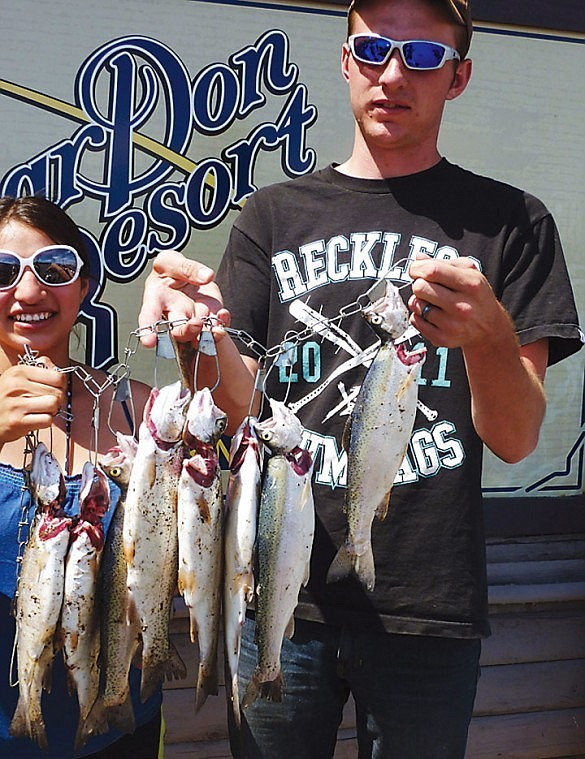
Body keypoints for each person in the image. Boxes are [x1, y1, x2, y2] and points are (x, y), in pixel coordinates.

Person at [138, 0, 583, 756]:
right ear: (346, 62)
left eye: (422, 57)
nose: (392, 73)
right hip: (282, 582)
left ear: (459, 77)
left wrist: (489, 335)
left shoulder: (512, 221)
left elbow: (513, 437)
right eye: (373, 50)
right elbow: (242, 405)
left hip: (428, 606)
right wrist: (198, 330)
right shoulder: (272, 216)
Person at [0, 196, 163, 758]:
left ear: (84, 286)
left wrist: (199, 343)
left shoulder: (136, 410)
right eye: (2, 272)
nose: (27, 293)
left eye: (55, 270)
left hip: (121, 728)